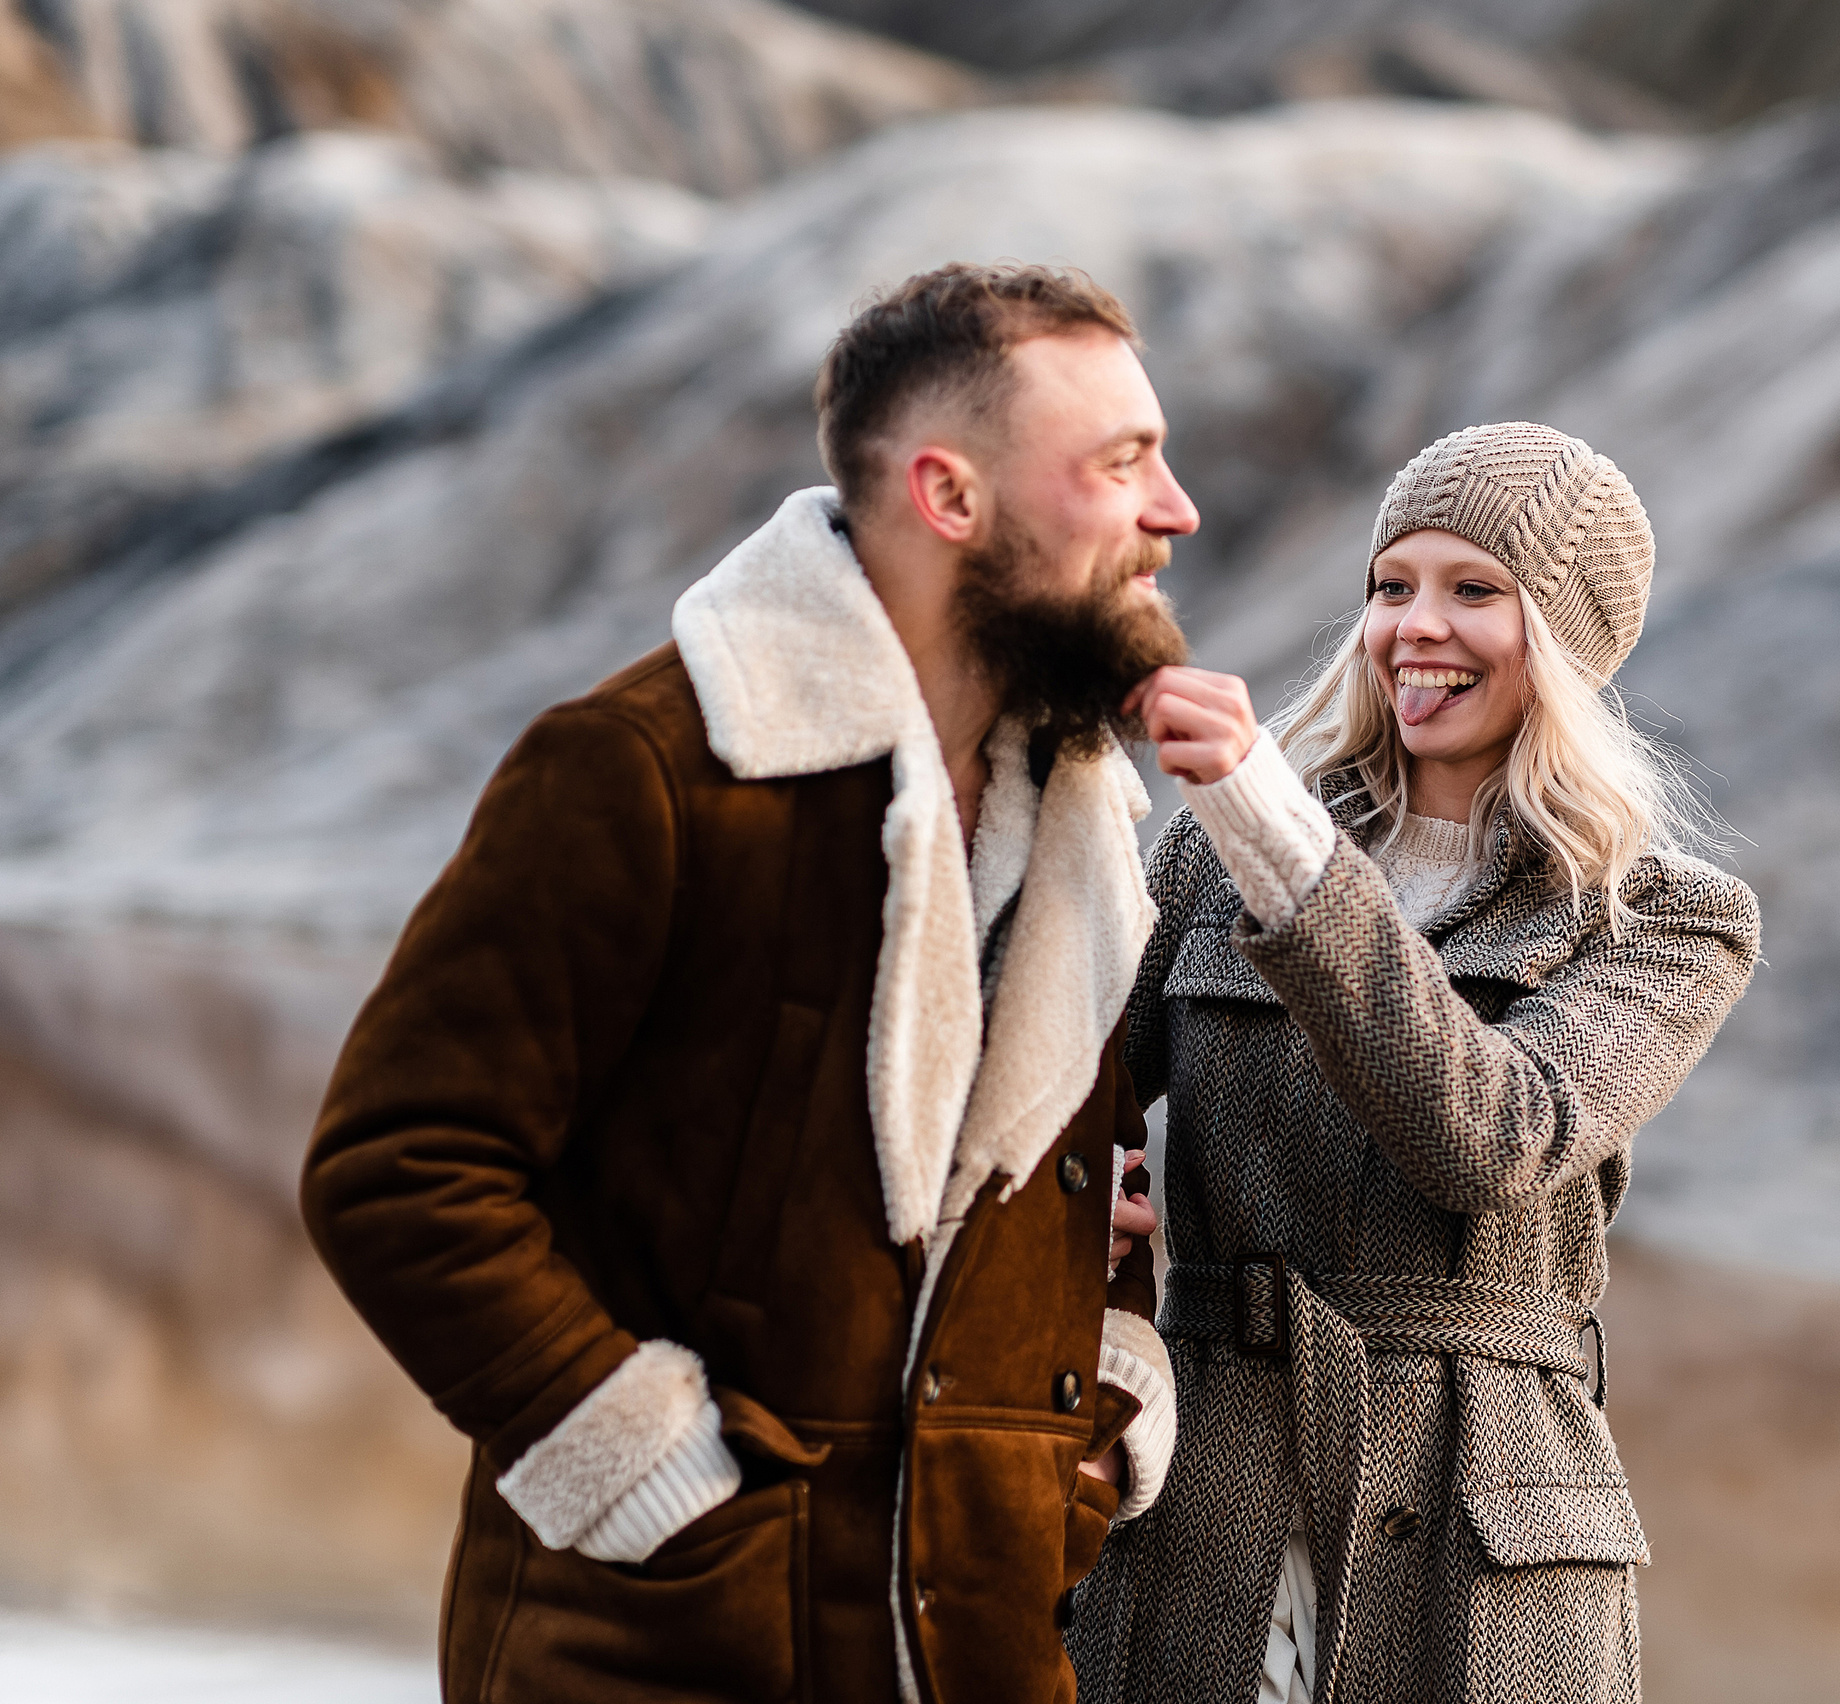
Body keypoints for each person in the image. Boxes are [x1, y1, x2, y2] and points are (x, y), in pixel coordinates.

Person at [302, 262, 1195, 1704]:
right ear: (950, 497)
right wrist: (652, 1479)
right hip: (653, 1655)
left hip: (976, 1653)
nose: (1176, 510)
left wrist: (1086, 1445)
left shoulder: (1078, 814)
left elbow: (1072, 1204)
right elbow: (397, 1167)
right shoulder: (647, 770)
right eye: (1122, 464)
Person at [1067, 422, 1763, 1702]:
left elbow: (1495, 1142)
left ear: (1562, 640)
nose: (1413, 627)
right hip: (1204, 1480)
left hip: (1485, 1520)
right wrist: (1087, 1268)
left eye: (1474, 591)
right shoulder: (1208, 858)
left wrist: (1283, 839)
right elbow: (1054, 1103)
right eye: (1392, 587)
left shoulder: (1663, 918)